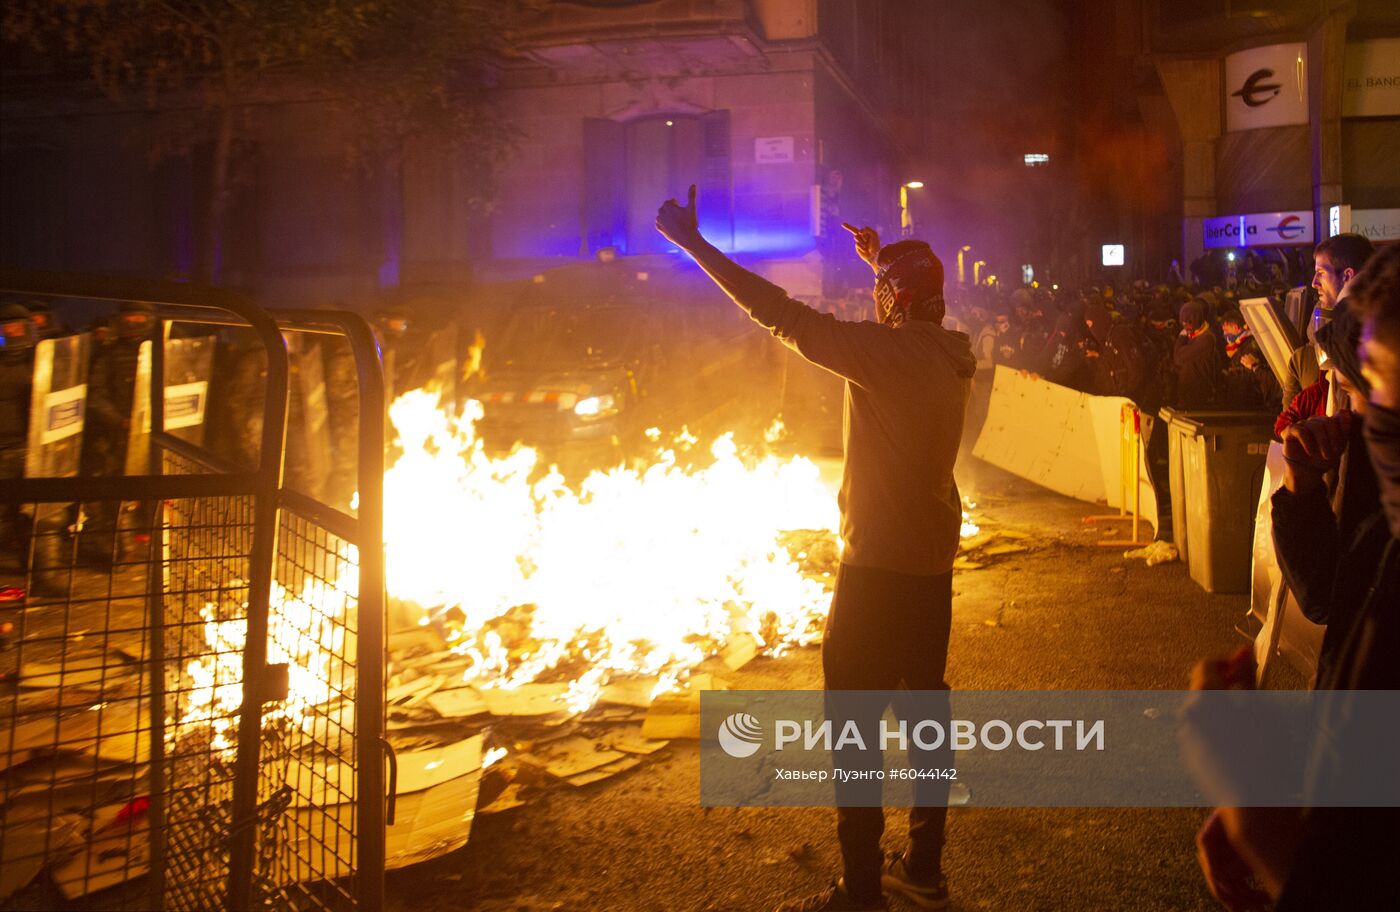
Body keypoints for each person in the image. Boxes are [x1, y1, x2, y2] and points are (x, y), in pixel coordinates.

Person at [655, 186, 974, 912]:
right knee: (927, 721)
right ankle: (922, 870)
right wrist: (881, 267)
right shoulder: (948, 354)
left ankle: (863, 892)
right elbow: (899, 315)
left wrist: (695, 247)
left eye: (883, 296)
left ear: (895, 304)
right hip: (928, 571)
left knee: (854, 738)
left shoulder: (890, 358)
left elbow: (783, 316)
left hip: (875, 577)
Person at [1186, 242, 1400, 912]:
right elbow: (1330, 598)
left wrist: (1263, 823)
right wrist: (1307, 493)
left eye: (1382, 392)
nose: (1358, 418)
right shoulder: (1383, 492)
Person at [1172, 299, 1221, 410]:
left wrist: (1181, 337)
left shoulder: (1206, 339)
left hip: (1198, 396)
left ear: (1196, 320)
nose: (1185, 326)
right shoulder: (1193, 335)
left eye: (1188, 322)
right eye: (1183, 322)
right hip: (1187, 393)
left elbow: (1178, 358)